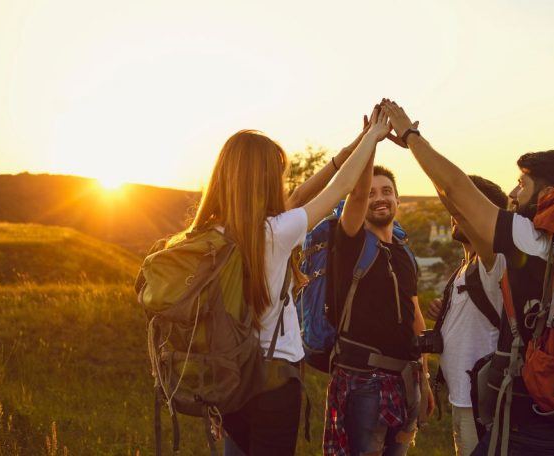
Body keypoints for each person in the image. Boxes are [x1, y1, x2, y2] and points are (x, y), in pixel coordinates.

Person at [380, 99, 554, 455]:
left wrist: (412, 137)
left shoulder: (529, 240)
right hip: (545, 408)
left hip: (512, 408)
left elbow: (458, 194)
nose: (512, 193)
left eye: (523, 184)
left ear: (549, 193)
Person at [180, 106, 391, 456]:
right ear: (263, 179)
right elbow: (339, 189)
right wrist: (373, 138)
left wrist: (354, 146)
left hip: (229, 374)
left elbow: (301, 196)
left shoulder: (208, 234)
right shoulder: (274, 233)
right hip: (273, 379)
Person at [323, 160, 435, 455]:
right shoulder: (351, 243)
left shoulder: (403, 251)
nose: (379, 198)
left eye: (386, 191)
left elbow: (415, 315)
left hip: (406, 381)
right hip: (364, 382)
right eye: (370, 194)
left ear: (398, 199)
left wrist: (424, 378)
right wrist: (372, 138)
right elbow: (356, 197)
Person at [426, 176, 508, 456]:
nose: (454, 214)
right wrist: (446, 314)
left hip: (480, 405)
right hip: (462, 398)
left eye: (463, 208)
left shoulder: (493, 262)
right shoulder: (466, 267)